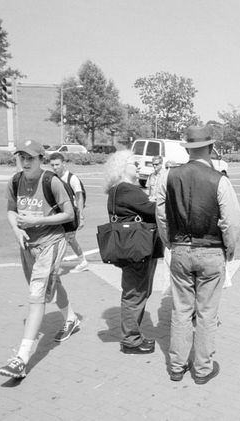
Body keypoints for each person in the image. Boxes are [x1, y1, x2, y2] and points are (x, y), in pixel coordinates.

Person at [155, 126, 240, 384]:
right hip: (211, 249)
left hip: (181, 247)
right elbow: (232, 223)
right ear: (210, 148)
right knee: (206, 313)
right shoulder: (220, 180)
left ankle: (177, 365)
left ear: (187, 148)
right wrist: (229, 250)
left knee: (181, 309)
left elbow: (160, 215)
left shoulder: (167, 176)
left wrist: (169, 242)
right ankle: (202, 368)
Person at [0, 140, 81, 379]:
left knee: (37, 298)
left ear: (40, 159)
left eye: (30, 158)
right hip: (27, 245)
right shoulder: (15, 181)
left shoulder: (51, 181)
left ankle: (21, 359)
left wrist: (37, 222)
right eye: (21, 157)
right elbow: (11, 209)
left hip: (51, 244)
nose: (25, 162)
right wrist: (17, 230)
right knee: (51, 286)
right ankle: (72, 319)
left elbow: (69, 213)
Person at [103, 150, 162, 355]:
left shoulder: (117, 190)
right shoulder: (127, 189)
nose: (137, 165)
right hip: (138, 249)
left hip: (130, 248)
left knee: (136, 292)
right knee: (135, 293)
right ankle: (131, 340)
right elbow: (153, 210)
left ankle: (133, 337)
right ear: (121, 168)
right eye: (133, 162)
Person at [48, 152, 88, 273]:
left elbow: (79, 197)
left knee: (70, 238)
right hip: (59, 214)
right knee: (57, 237)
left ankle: (82, 262)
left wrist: (81, 216)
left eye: (57, 164)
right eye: (52, 165)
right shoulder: (53, 178)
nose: (55, 167)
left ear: (63, 164)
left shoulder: (72, 178)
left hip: (71, 214)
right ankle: (54, 262)